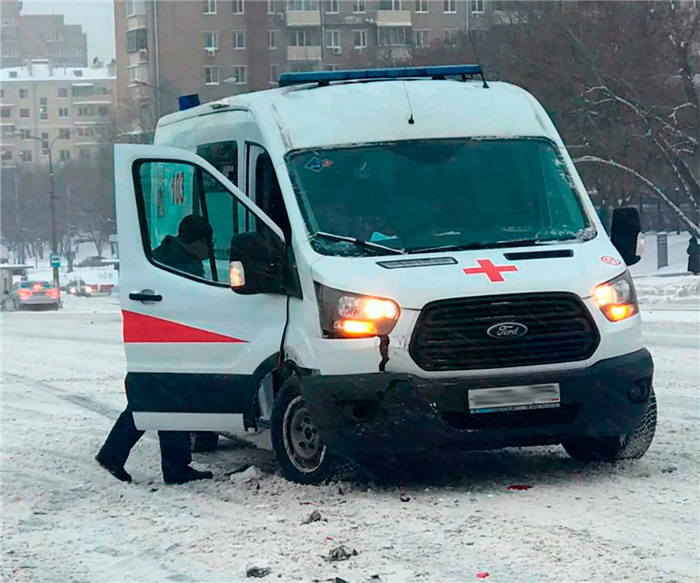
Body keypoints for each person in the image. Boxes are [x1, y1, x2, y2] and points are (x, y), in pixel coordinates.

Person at [95, 215, 216, 484]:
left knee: (159, 401)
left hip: (159, 338)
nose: (210, 249)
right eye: (208, 242)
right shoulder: (184, 266)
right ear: (196, 242)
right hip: (174, 341)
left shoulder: (164, 255)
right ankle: (169, 467)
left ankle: (122, 456)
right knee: (170, 400)